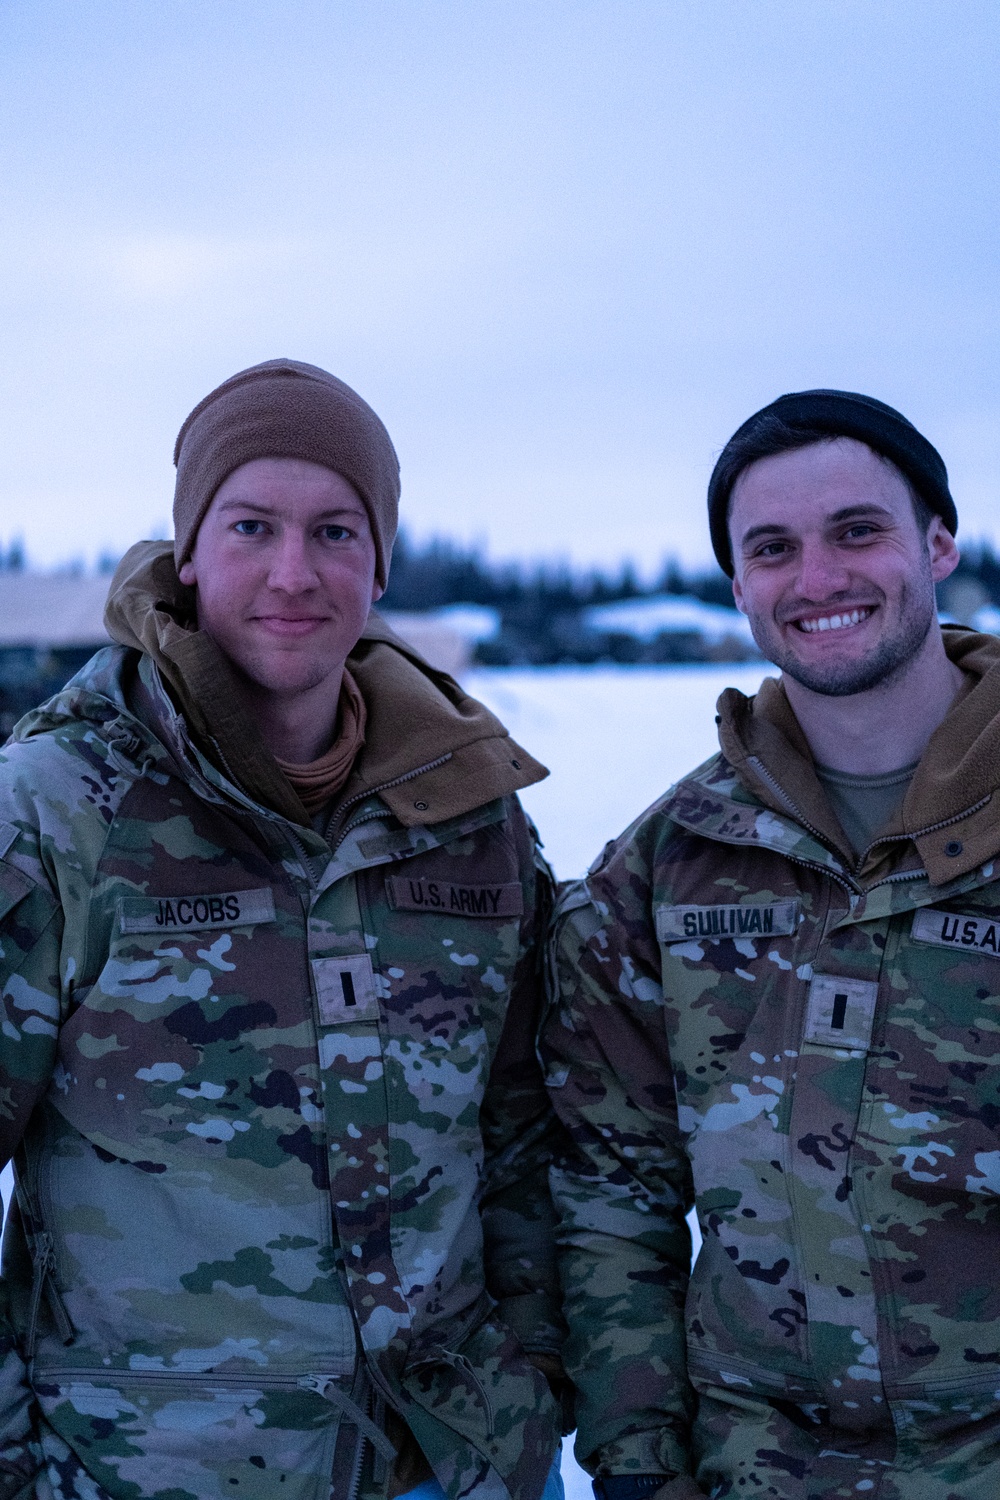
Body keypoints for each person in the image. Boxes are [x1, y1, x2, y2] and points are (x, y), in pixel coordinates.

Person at [0, 359, 567, 1500]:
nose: (294, 573)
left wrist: (530, 1387)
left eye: (338, 531)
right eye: (252, 525)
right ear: (190, 551)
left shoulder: (466, 816)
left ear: (380, 562)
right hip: (148, 1471)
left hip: (454, 1467)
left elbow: (522, 1138)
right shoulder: (57, 807)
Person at [542, 389, 1000, 1499]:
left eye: (858, 530)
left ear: (937, 544)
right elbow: (610, 1197)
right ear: (738, 585)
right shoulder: (666, 864)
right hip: (756, 1468)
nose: (818, 578)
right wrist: (643, 1469)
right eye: (772, 549)